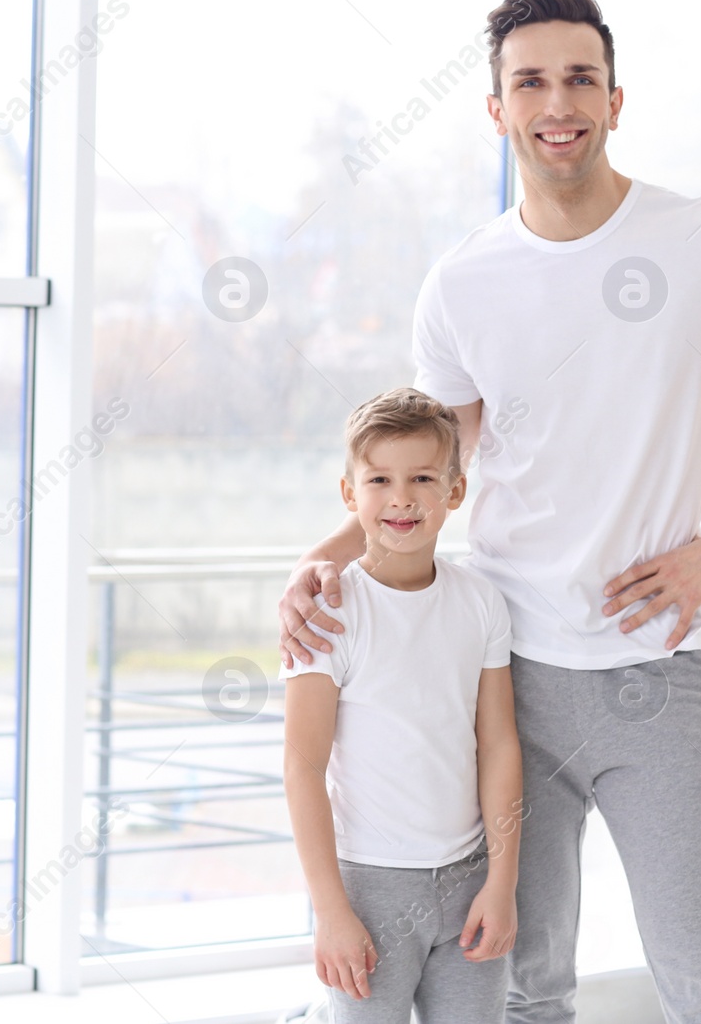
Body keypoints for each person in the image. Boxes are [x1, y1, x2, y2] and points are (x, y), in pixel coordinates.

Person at [279, 0, 701, 1024]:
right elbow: (431, 473)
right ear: (497, 109)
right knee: (525, 985)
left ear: (616, 100)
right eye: (530, 81)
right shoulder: (462, 282)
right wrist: (321, 560)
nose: (557, 102)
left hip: (661, 672)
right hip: (504, 676)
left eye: (580, 78)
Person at [281, 387, 524, 1024]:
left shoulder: (481, 602)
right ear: (349, 493)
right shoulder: (328, 614)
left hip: (469, 880)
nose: (402, 498)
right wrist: (331, 912)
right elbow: (303, 768)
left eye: (422, 478)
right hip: (368, 888)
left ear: (455, 490)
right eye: (379, 479)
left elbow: (499, 744)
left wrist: (501, 884)